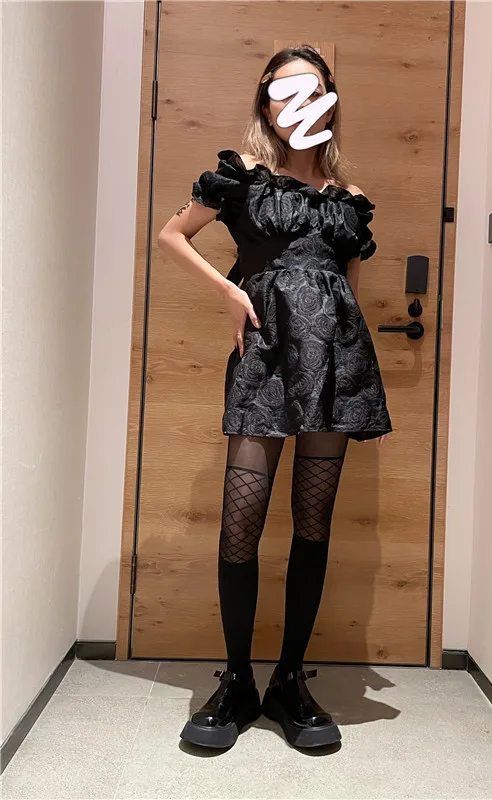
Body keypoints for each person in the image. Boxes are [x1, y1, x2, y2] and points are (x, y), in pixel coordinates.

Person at [157, 45, 392, 751]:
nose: (297, 105)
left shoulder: (349, 201)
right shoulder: (241, 177)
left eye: (311, 91)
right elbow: (172, 235)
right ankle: (237, 681)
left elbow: (347, 287)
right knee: (242, 522)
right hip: (263, 358)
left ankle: (290, 680)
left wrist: (352, 368)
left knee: (313, 525)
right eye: (283, 92)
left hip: (334, 363)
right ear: (266, 104)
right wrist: (231, 292)